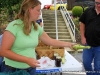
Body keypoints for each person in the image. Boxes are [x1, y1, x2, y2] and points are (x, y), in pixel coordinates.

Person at [0, 0, 75, 75]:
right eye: (38, 10)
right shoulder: (13, 26)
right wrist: (27, 60)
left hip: (31, 69)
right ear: (29, 10)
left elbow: (50, 41)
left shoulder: (36, 27)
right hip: (12, 70)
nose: (40, 13)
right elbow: (3, 51)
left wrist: (68, 44)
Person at [79, 0, 100, 75]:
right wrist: (83, 37)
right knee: (86, 64)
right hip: (88, 44)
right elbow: (82, 24)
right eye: (97, 3)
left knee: (98, 68)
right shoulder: (88, 11)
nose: (98, 5)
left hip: (99, 46)